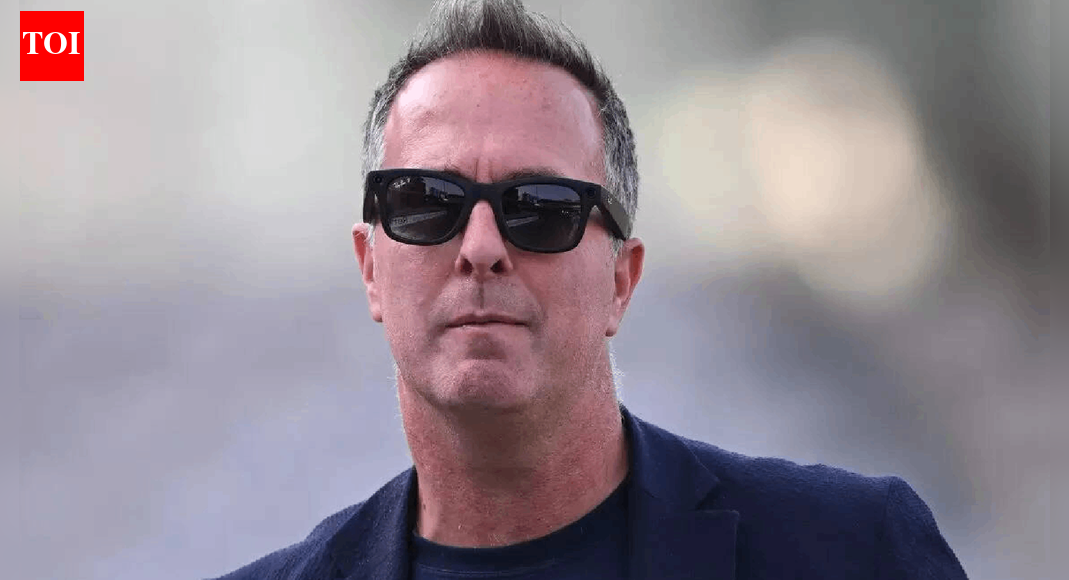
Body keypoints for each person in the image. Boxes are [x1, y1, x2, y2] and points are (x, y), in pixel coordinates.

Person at [210, 0, 968, 578]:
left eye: (541, 209)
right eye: (426, 203)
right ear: (370, 267)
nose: (480, 249)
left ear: (621, 280)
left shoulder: (856, 552)